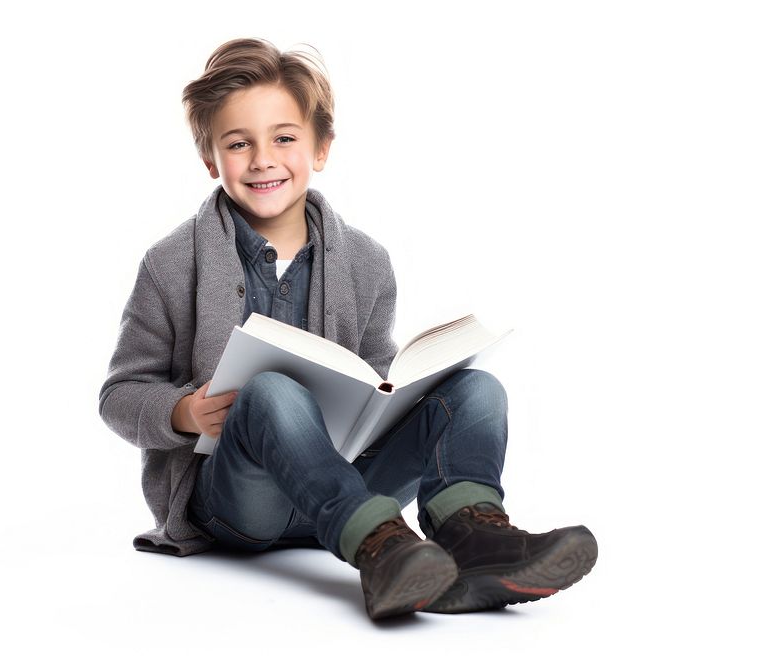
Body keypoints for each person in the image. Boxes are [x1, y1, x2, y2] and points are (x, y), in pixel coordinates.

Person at [99, 37, 598, 621]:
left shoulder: (366, 261)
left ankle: (476, 537)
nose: (263, 159)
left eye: (284, 138)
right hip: (238, 502)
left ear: (321, 148)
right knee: (271, 392)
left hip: (351, 483)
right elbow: (119, 395)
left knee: (477, 390)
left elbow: (374, 378)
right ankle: (379, 553)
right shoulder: (170, 263)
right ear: (212, 159)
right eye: (239, 144)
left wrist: (395, 393)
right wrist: (183, 412)